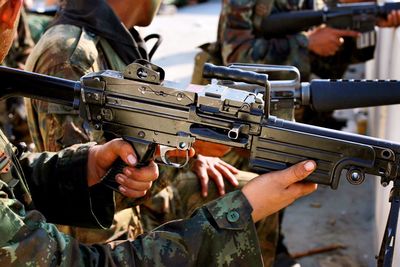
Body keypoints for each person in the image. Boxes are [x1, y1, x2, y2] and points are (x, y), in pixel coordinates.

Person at [0, 2, 317, 265]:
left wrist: (91, 164)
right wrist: (235, 212)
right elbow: (76, 246)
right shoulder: (68, 54)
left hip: (109, 215)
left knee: (243, 183)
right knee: (245, 198)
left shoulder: (114, 38)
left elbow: (17, 174)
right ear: (10, 11)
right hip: (102, 234)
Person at [215, 1, 400, 266]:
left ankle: (271, 250)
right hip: (242, 116)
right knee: (242, 196)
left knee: (282, 193)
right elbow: (235, 56)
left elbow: (329, 62)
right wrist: (306, 43)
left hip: (291, 111)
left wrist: (364, 29)